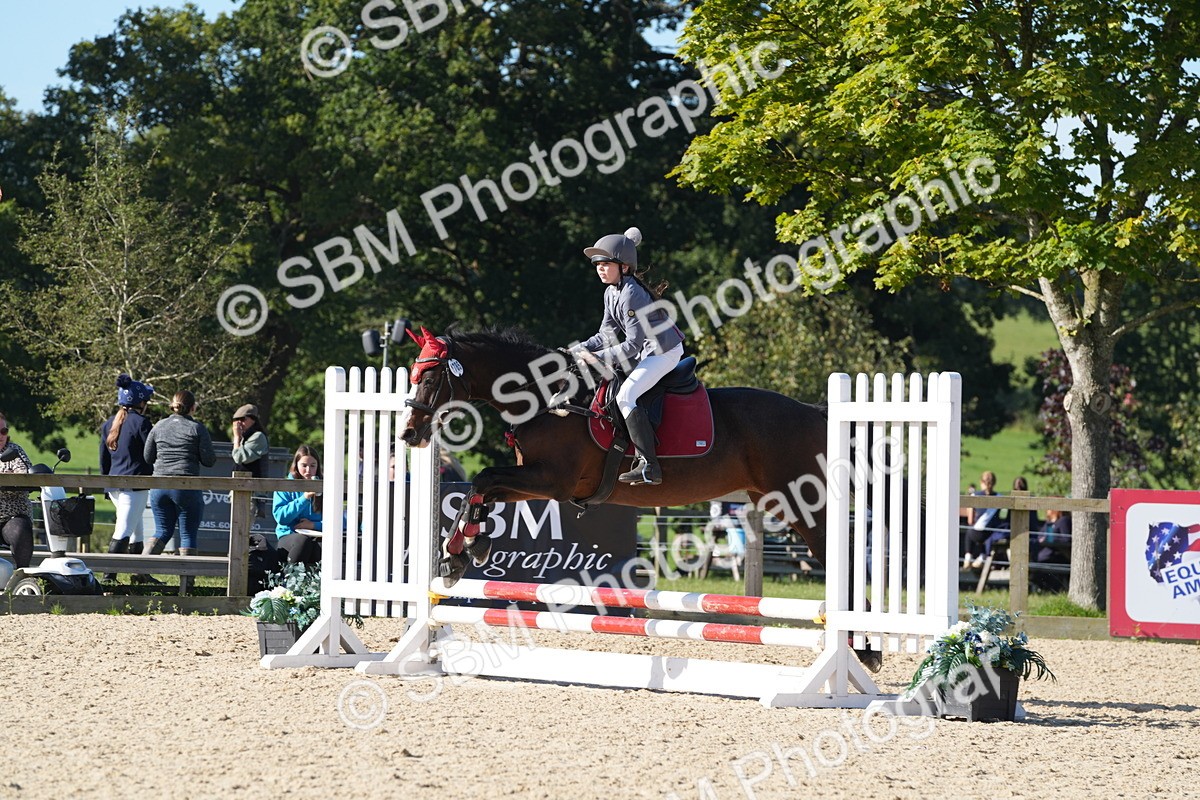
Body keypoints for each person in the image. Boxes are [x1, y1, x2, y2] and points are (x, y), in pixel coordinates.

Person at [570, 226, 683, 486]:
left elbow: (631, 345)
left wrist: (596, 357)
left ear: (623, 267)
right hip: (647, 349)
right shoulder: (611, 292)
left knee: (625, 395)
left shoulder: (632, 294)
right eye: (597, 264)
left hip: (664, 351)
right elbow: (605, 334)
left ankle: (649, 466)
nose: (599, 268)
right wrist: (579, 348)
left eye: (606, 263)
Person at [143, 390, 216, 557]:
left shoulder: (158, 426)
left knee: (162, 530)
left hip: (159, 486)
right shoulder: (196, 428)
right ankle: (187, 580)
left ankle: (141, 569)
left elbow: (148, 457)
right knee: (188, 534)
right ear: (193, 407)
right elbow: (209, 461)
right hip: (186, 486)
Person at [272, 445, 322, 564]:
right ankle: (290, 580)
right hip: (289, 536)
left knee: (325, 546)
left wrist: (313, 525)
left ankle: (316, 582)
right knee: (303, 542)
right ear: (296, 465)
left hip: (317, 536)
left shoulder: (324, 486)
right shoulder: (285, 486)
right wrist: (304, 498)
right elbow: (281, 518)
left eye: (312, 466)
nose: (308, 470)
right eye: (304, 465)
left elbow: (339, 521)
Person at [0, 412, 35, 567]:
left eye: (4, 431)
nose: (1, 435)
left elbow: (24, 476)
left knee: (21, 530)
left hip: (13, 515)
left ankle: (22, 575)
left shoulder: (15, 451)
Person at [963, 470, 1001, 569]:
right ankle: (981, 557)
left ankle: (968, 557)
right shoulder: (1000, 497)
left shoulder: (975, 495)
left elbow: (970, 520)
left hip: (976, 533)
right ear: (994, 483)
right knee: (984, 534)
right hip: (992, 533)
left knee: (969, 532)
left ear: (981, 482)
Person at [230, 404, 269, 477]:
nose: (239, 423)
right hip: (240, 484)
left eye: (243, 419)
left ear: (253, 420)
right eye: (236, 420)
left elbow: (239, 458)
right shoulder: (243, 437)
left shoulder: (258, 436)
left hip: (255, 485)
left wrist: (237, 437)